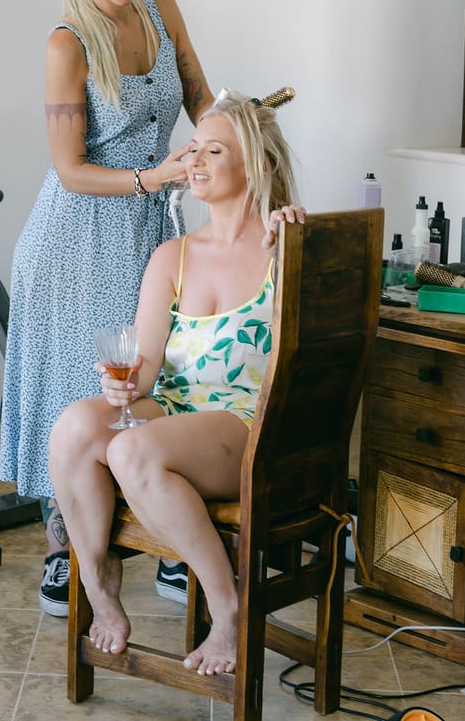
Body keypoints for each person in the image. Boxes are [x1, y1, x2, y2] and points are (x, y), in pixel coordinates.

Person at [0, 0, 214, 616]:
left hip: (153, 228)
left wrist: (233, 135)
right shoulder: (68, 44)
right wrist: (157, 176)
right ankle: (65, 551)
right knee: (81, 390)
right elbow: (69, 169)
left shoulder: (163, 11)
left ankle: (169, 537)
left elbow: (200, 99)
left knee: (160, 376)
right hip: (77, 238)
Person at [48, 90, 304, 675]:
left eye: (214, 151)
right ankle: (99, 582)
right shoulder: (173, 256)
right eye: (194, 149)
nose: (195, 161)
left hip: (249, 424)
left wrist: (301, 235)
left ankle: (227, 606)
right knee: (75, 428)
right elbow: (145, 368)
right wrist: (121, 387)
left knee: (131, 450)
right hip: (176, 407)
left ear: (257, 164)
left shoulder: (285, 249)